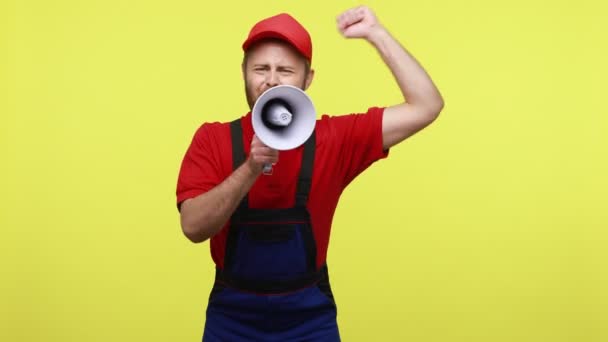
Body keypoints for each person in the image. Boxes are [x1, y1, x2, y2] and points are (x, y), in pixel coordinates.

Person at [175, 5, 444, 341]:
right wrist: (251, 167)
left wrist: (377, 34)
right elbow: (193, 228)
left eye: (285, 70)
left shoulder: (335, 139)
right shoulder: (212, 140)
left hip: (308, 319)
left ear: (307, 79)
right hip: (232, 317)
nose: (271, 80)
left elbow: (426, 105)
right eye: (261, 68)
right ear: (244, 71)